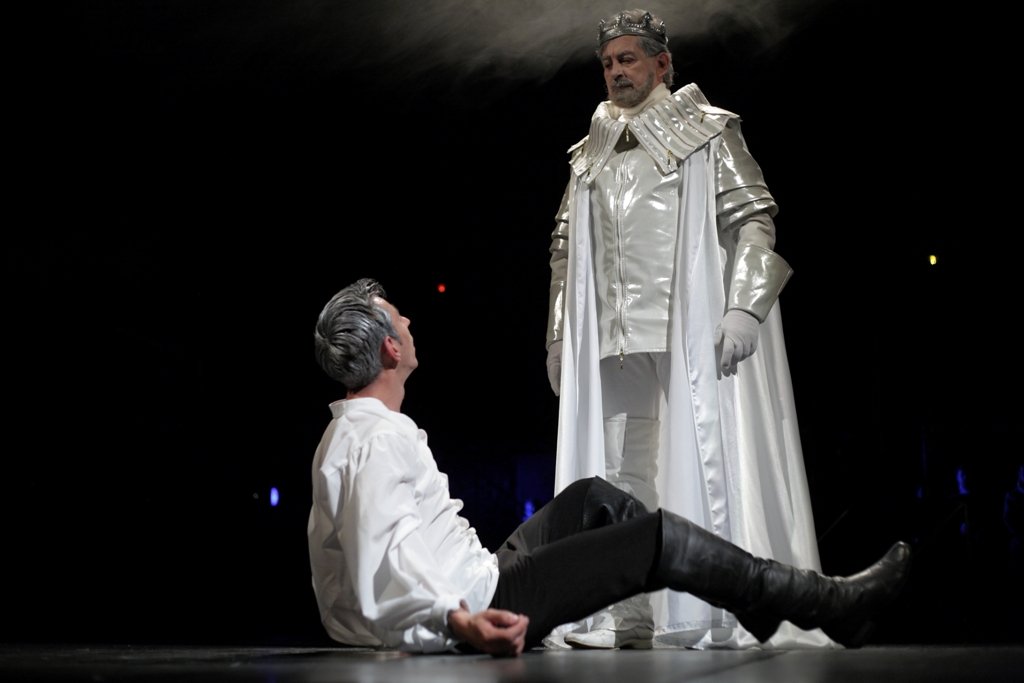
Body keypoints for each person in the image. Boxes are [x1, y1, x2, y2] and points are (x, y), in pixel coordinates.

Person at [307, 277, 911, 657]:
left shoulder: (365, 430)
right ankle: (827, 604)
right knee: (657, 538)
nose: (410, 322)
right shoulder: (371, 441)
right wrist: (460, 622)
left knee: (592, 496)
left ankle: (750, 598)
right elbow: (381, 562)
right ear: (390, 347)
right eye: (400, 318)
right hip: (480, 600)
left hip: (480, 574)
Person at [544, 8, 824, 649]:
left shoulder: (709, 131)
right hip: (613, 340)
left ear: (662, 63)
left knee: (706, 464)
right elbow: (564, 250)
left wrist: (744, 307)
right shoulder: (588, 156)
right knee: (619, 479)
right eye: (608, 63)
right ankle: (627, 616)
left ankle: (720, 614)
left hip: (688, 334)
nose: (616, 72)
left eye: (628, 59)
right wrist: (559, 334)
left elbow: (754, 219)